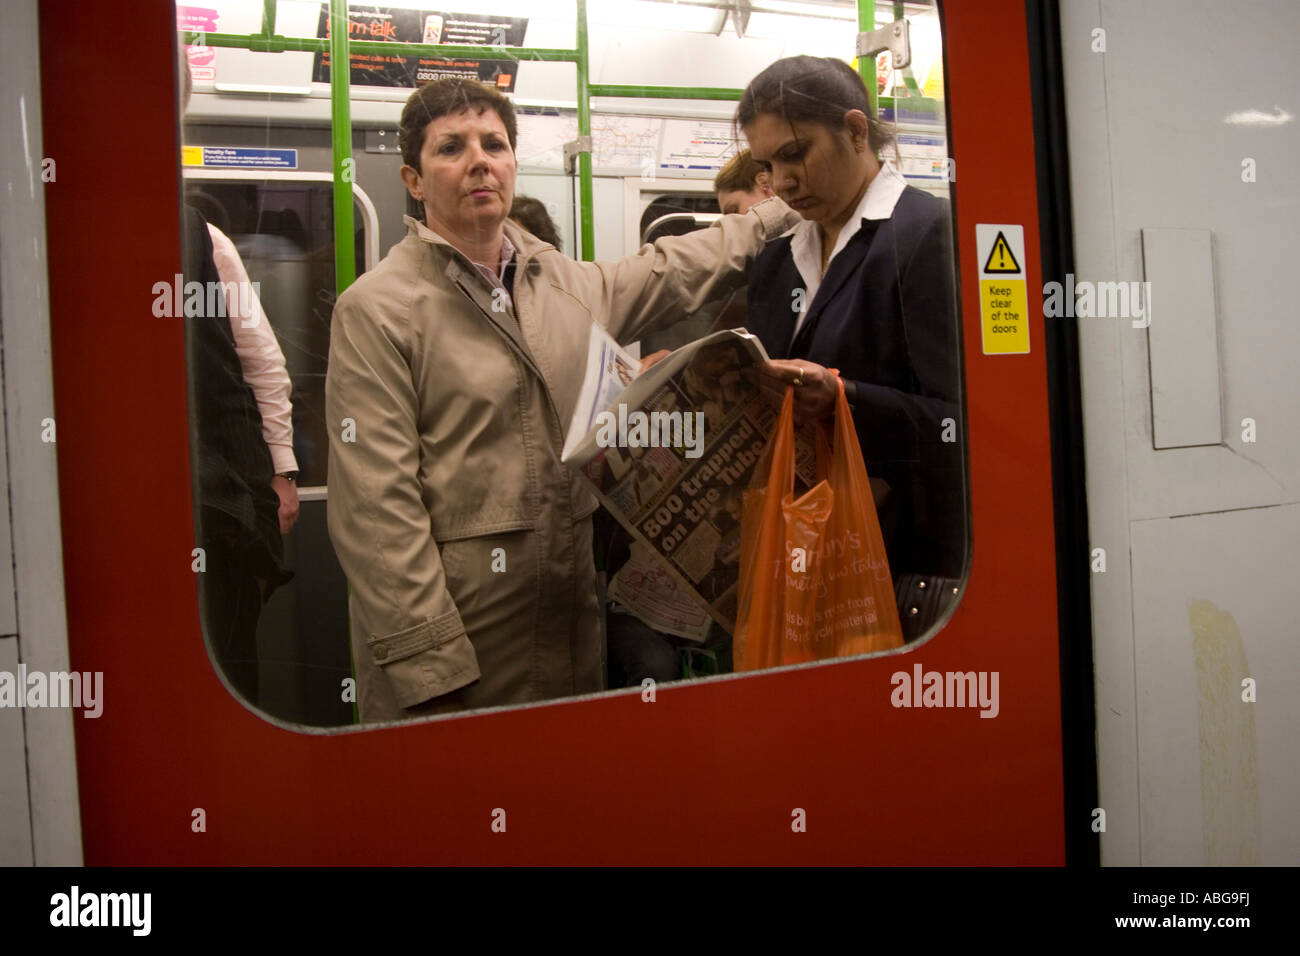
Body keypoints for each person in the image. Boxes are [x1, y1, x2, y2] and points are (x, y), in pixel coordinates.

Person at [325, 77, 798, 722]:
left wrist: (777, 214)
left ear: (514, 163)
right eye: (450, 148)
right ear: (413, 179)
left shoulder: (564, 286)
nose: (478, 161)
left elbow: (673, 268)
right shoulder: (379, 311)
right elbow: (377, 510)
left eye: (493, 143)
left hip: (571, 619)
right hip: (465, 637)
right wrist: (430, 664)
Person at [737, 55, 964, 638]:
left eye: (795, 153)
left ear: (856, 130)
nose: (782, 182)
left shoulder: (925, 238)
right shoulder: (775, 260)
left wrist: (846, 398)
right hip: (801, 554)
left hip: (895, 562)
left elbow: (961, 425)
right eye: (767, 164)